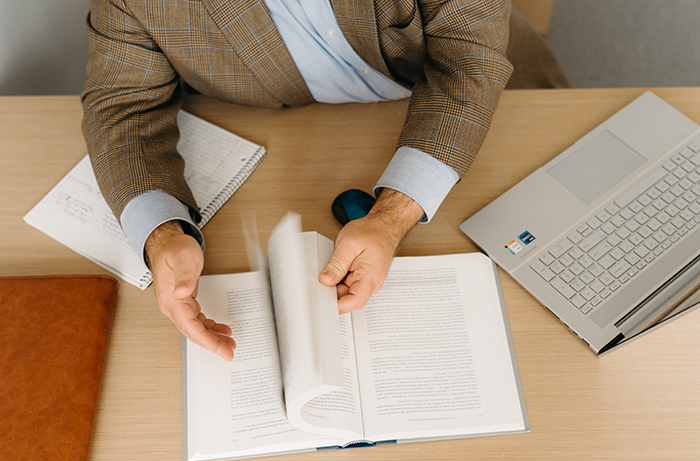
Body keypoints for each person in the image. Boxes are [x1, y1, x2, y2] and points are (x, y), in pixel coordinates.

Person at [82, 0, 568, 362]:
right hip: (300, 129)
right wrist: (162, 235)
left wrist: (393, 216)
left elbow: (467, 69)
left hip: (497, 106)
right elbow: (123, 109)